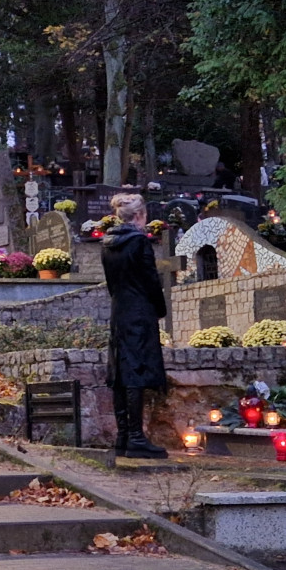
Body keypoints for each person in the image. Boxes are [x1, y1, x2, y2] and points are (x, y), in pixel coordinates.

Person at [101, 193, 168, 459]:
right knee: (136, 372)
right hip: (139, 310)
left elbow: (110, 282)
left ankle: (123, 436)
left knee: (120, 371)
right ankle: (136, 438)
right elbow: (151, 279)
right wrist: (159, 308)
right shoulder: (139, 241)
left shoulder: (107, 243)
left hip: (120, 309)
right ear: (139, 216)